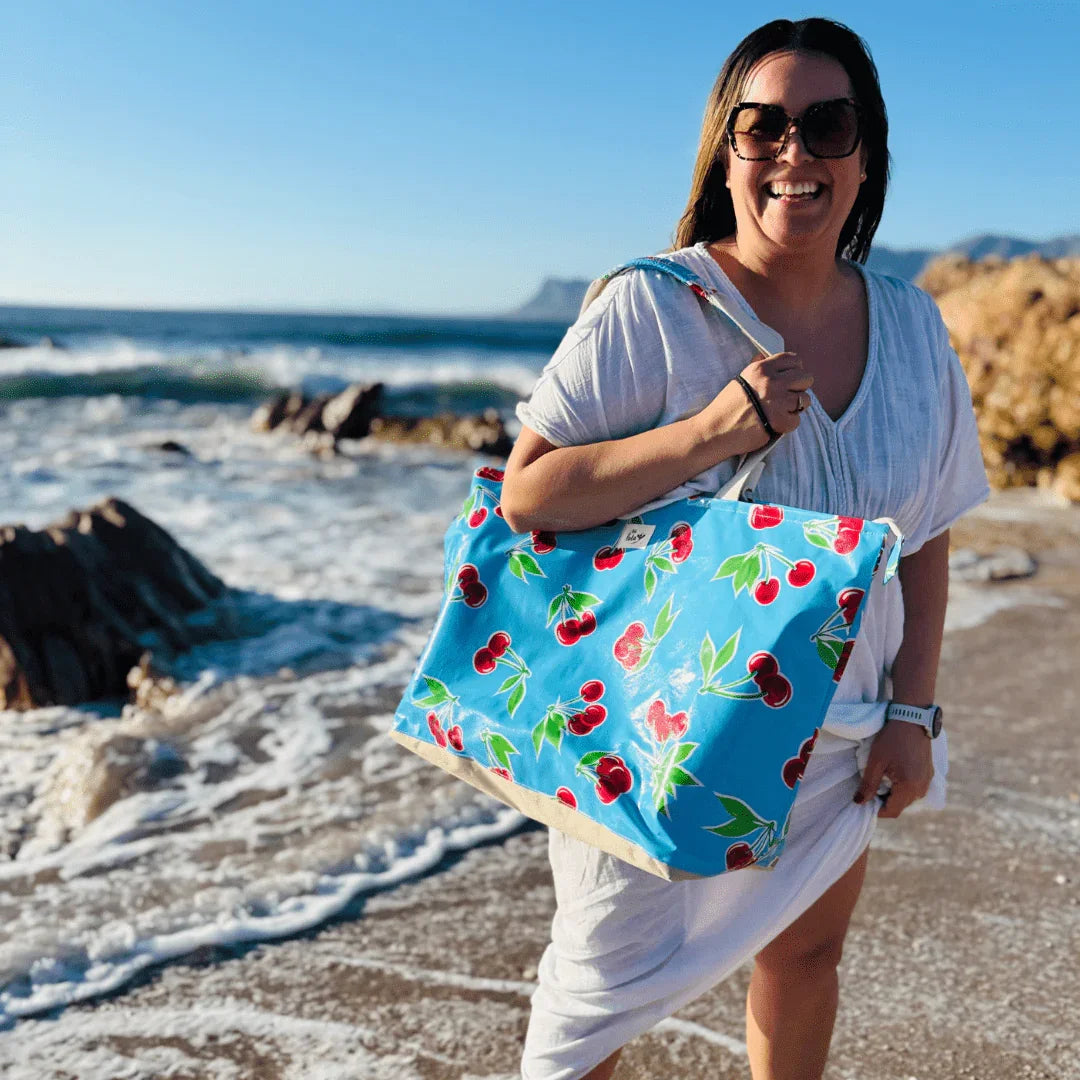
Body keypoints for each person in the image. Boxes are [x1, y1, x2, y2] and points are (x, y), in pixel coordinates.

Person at [501, 16, 990, 1080]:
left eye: (829, 126)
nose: (794, 155)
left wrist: (914, 712)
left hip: (844, 733)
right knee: (592, 1007)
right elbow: (528, 496)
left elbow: (926, 535)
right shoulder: (650, 307)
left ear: (868, 157)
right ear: (726, 150)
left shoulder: (912, 327)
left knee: (807, 955)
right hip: (654, 738)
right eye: (762, 127)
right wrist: (711, 434)